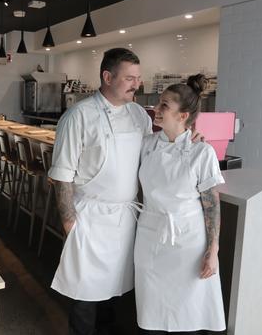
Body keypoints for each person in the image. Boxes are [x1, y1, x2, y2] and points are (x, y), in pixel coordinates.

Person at [48, 48, 151, 334]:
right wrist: (70, 224)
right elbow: (62, 176)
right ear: (107, 76)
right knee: (85, 293)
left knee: (115, 288)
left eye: (138, 78)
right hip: (89, 218)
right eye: (129, 78)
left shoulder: (140, 115)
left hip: (125, 217)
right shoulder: (78, 116)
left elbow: (152, 156)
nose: (137, 84)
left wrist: (188, 140)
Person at [134, 76, 226, 334]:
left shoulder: (201, 152)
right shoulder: (147, 145)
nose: (156, 109)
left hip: (187, 241)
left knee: (188, 310)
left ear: (183, 115)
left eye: (164, 105)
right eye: (159, 103)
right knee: (151, 308)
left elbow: (212, 205)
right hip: (150, 235)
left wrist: (213, 250)